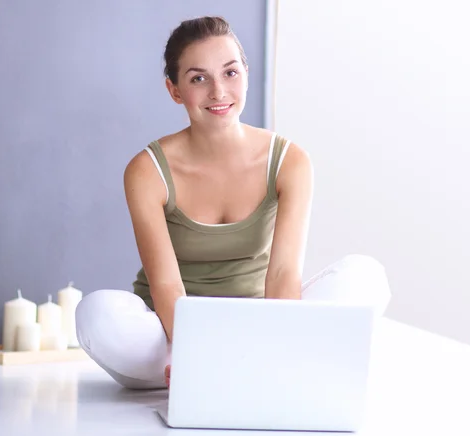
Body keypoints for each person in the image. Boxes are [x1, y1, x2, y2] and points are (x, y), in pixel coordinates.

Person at [75, 16, 391, 390]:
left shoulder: (290, 162)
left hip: (260, 325)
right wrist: (196, 352)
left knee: (364, 276)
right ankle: (243, 367)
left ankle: (259, 362)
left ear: (246, 73)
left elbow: (283, 276)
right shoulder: (147, 170)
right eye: (198, 78)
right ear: (174, 90)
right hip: (171, 336)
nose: (218, 92)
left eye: (230, 73)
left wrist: (274, 342)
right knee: (95, 315)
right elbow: (166, 285)